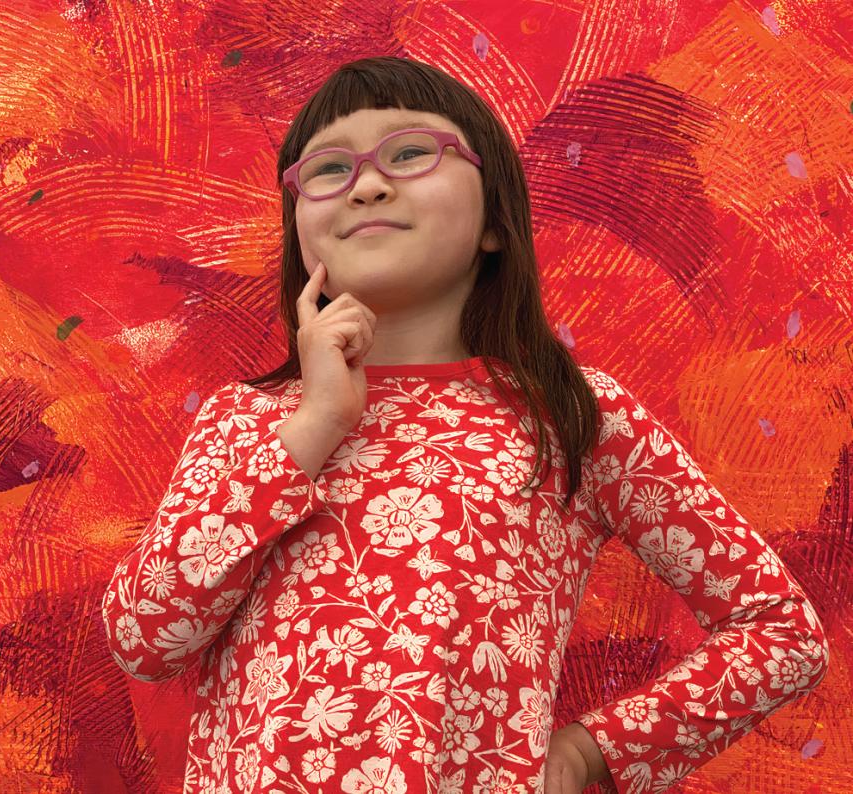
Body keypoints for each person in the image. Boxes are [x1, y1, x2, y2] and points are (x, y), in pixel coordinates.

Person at [100, 56, 827, 794]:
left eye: (411, 152)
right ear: (299, 233)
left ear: (494, 225)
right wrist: (316, 423)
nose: (369, 183)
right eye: (326, 169)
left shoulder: (572, 414)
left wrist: (589, 752)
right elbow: (146, 638)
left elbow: (781, 632)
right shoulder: (246, 421)